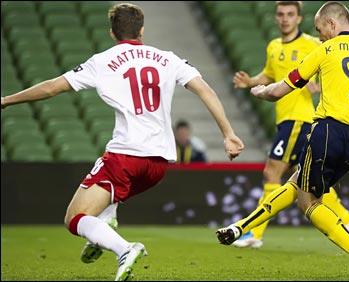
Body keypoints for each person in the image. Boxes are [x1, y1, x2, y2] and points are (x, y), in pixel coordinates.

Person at [1, 3, 244, 281]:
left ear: (112, 33)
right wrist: (228, 133)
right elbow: (205, 89)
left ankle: (123, 248)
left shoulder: (102, 61)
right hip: (159, 165)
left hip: (126, 158)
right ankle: (106, 220)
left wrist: (6, 100)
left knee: (74, 219)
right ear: (141, 29)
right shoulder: (168, 58)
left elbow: (51, 88)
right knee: (104, 191)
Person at [217, 1, 349, 277]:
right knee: (297, 183)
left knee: (307, 201)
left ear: (332, 24)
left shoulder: (325, 49)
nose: (320, 34)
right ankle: (241, 227)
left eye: (320, 28)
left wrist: (260, 91)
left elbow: (280, 90)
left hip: (327, 131)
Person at [231, 1, 349, 249]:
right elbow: (269, 76)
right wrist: (250, 81)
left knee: (272, 172)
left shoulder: (314, 44)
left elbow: (338, 71)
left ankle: (254, 233)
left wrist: (319, 85)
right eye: (281, 14)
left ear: (299, 18)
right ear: (275, 18)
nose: (285, 19)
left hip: (299, 118)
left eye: (290, 14)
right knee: (302, 177)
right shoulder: (273, 46)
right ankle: (348, 219)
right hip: (285, 117)